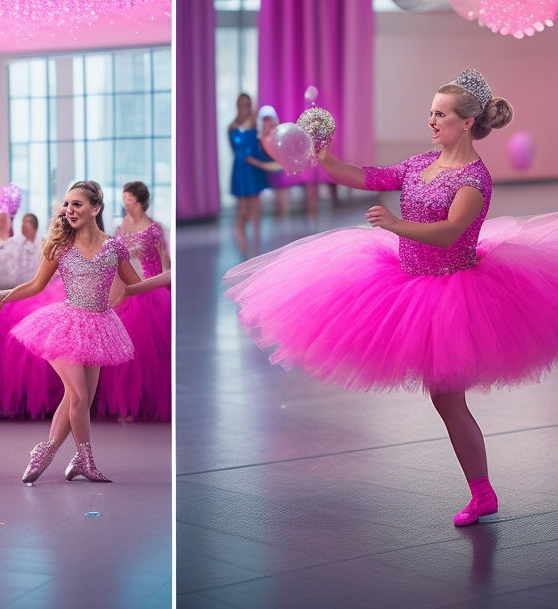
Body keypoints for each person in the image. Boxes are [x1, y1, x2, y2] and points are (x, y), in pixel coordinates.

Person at [225, 69, 558, 527]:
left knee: (448, 399)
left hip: (452, 291)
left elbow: (450, 232)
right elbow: (369, 176)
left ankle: (482, 493)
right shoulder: (422, 163)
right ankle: (483, 493)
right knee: (446, 400)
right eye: (431, 113)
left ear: (466, 123)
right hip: (407, 280)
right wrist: (326, 159)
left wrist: (396, 224)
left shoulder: (475, 178)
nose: (431, 121)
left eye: (440, 114)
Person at [0, 180, 170, 484]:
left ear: (95, 208)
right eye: (67, 204)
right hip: (65, 325)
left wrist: (166, 278)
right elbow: (35, 286)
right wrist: (3, 296)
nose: (69, 210)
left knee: (74, 400)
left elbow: (133, 285)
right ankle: (84, 460)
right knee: (80, 397)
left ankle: (45, 452)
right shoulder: (59, 246)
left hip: (99, 326)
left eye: (77, 204)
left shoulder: (113, 246)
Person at [95, 181, 171, 421]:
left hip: (149, 292)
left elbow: (164, 261)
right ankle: (124, 404)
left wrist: (166, 286)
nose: (124, 200)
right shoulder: (119, 228)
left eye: (127, 197)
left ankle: (142, 404)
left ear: (137, 200)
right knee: (122, 348)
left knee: (147, 350)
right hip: (124, 290)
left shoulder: (154, 229)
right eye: (124, 197)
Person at [228, 93, 280, 260]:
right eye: (242, 104)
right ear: (237, 106)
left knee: (256, 211)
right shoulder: (231, 127)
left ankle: (256, 250)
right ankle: (242, 242)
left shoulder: (254, 126)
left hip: (253, 170)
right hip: (241, 171)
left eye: (247, 104)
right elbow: (238, 152)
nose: (244, 107)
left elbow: (259, 147)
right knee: (243, 210)